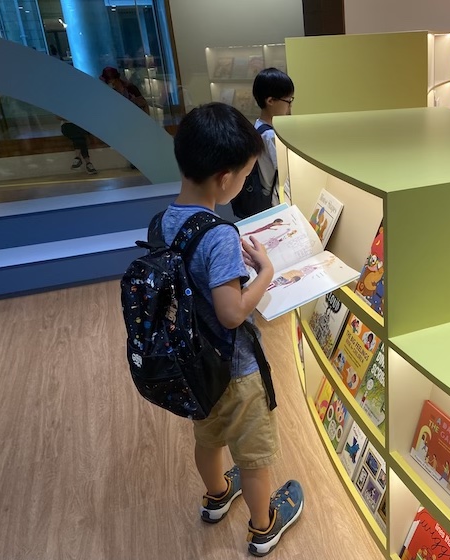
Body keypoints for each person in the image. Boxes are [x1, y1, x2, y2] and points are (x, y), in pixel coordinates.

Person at [160, 102, 304, 556]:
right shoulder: (219, 234)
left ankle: (218, 495)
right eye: (245, 174)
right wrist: (265, 270)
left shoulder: (166, 219)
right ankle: (264, 527)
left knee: (207, 438)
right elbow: (232, 312)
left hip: (195, 366)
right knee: (255, 458)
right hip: (237, 371)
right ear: (225, 179)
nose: (245, 182)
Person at [251, 68, 295, 207]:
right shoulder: (270, 136)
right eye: (288, 101)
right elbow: (284, 171)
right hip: (272, 201)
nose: (290, 106)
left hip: (264, 196)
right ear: (270, 101)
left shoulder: (258, 126)